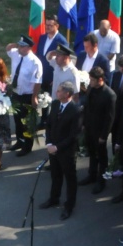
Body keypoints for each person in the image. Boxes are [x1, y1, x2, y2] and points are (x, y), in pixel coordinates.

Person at [40, 81, 83, 220]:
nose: (56, 93)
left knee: (70, 179)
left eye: (59, 91)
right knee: (55, 175)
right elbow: (49, 125)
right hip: (53, 148)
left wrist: (57, 147)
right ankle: (54, 198)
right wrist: (49, 143)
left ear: (67, 94)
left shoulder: (76, 110)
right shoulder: (55, 104)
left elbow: (73, 135)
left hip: (66, 151)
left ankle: (69, 206)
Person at [80, 66, 117, 194]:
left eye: (92, 79)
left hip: (100, 131)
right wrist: (84, 124)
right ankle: (92, 175)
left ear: (100, 79)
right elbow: (87, 107)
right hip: (89, 128)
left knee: (101, 157)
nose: (90, 81)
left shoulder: (109, 95)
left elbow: (110, 118)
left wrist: (104, 135)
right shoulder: (91, 88)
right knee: (91, 153)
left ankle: (101, 181)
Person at [6, 36, 43, 156]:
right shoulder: (16, 54)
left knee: (27, 123)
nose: (19, 48)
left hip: (27, 95)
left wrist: (34, 97)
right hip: (16, 93)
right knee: (17, 120)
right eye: (19, 45)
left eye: (22, 46)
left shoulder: (35, 62)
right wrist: (15, 45)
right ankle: (19, 141)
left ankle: (27, 146)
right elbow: (8, 48)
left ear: (28, 48)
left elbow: (37, 82)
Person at [37, 17, 68, 129]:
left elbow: (63, 61)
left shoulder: (61, 41)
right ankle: (43, 120)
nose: (48, 27)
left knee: (54, 100)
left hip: (53, 76)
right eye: (46, 25)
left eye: (50, 25)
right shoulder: (43, 37)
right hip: (42, 74)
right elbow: (39, 55)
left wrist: (56, 77)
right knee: (43, 98)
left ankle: (54, 122)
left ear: (57, 26)